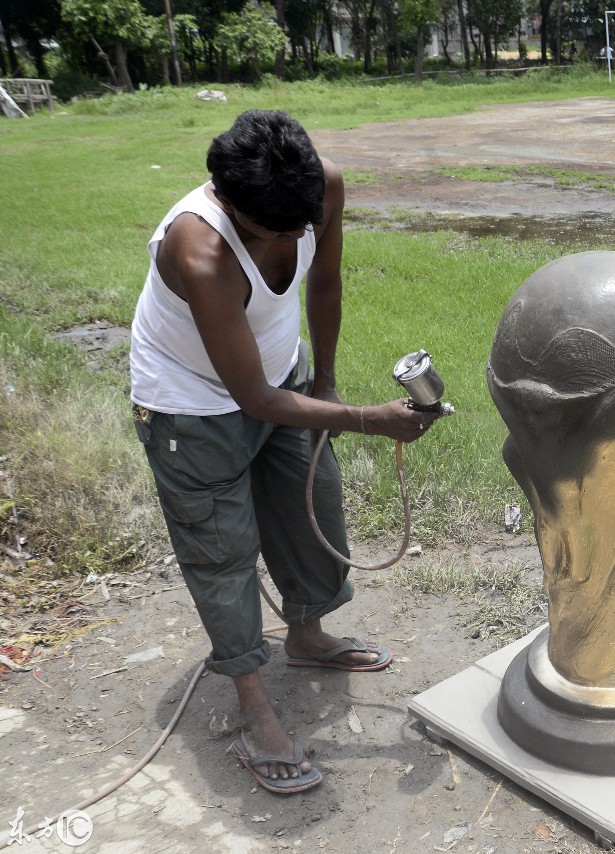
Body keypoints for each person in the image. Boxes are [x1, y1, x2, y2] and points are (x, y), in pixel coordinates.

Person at [129, 110, 438, 794]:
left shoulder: (317, 187)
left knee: (312, 505)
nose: (303, 236)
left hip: (283, 376)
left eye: (308, 222)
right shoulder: (198, 250)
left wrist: (323, 383)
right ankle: (253, 705)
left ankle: (306, 634)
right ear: (234, 207)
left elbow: (323, 285)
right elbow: (252, 398)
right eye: (286, 230)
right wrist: (366, 418)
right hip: (191, 405)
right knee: (223, 550)